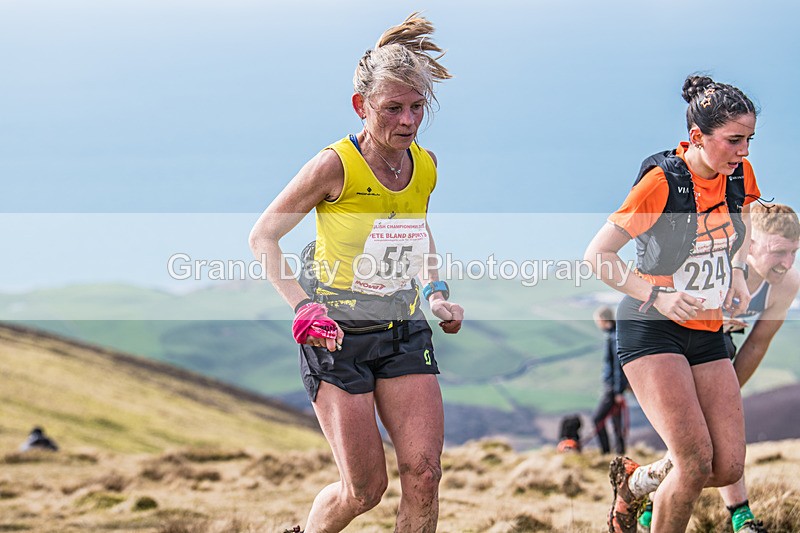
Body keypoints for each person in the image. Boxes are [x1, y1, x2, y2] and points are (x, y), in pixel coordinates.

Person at [248, 13, 463, 533]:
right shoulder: (334, 166)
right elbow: (262, 237)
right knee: (364, 490)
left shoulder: (425, 164)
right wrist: (304, 307)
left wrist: (435, 293)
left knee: (424, 473)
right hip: (336, 335)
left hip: (402, 325)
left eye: (417, 108)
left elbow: (418, 231)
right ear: (361, 106)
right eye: (393, 108)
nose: (408, 121)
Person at [584, 74, 761, 533]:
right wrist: (657, 295)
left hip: (708, 327)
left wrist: (738, 272)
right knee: (695, 462)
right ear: (698, 137)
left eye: (749, 140)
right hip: (651, 327)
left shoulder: (737, 173)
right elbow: (597, 256)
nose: (744, 152)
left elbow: (740, 225)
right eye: (734, 140)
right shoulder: (661, 183)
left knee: (727, 468)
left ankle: (636, 484)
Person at [634, 202, 799, 533]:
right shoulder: (716, 265)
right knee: (698, 447)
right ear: (750, 244)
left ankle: (648, 494)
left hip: (717, 349)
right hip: (669, 345)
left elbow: (757, 343)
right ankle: (733, 513)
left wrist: (726, 395)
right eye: (779, 252)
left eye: (794, 252)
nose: (788, 262)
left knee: (720, 433)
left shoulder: (785, 284)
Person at [591, 306, 628, 455]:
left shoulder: (613, 338)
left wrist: (618, 391)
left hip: (612, 388)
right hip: (614, 387)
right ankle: (620, 452)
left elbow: (617, 366)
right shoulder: (616, 334)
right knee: (615, 421)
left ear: (603, 320)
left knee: (597, 419)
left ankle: (606, 452)